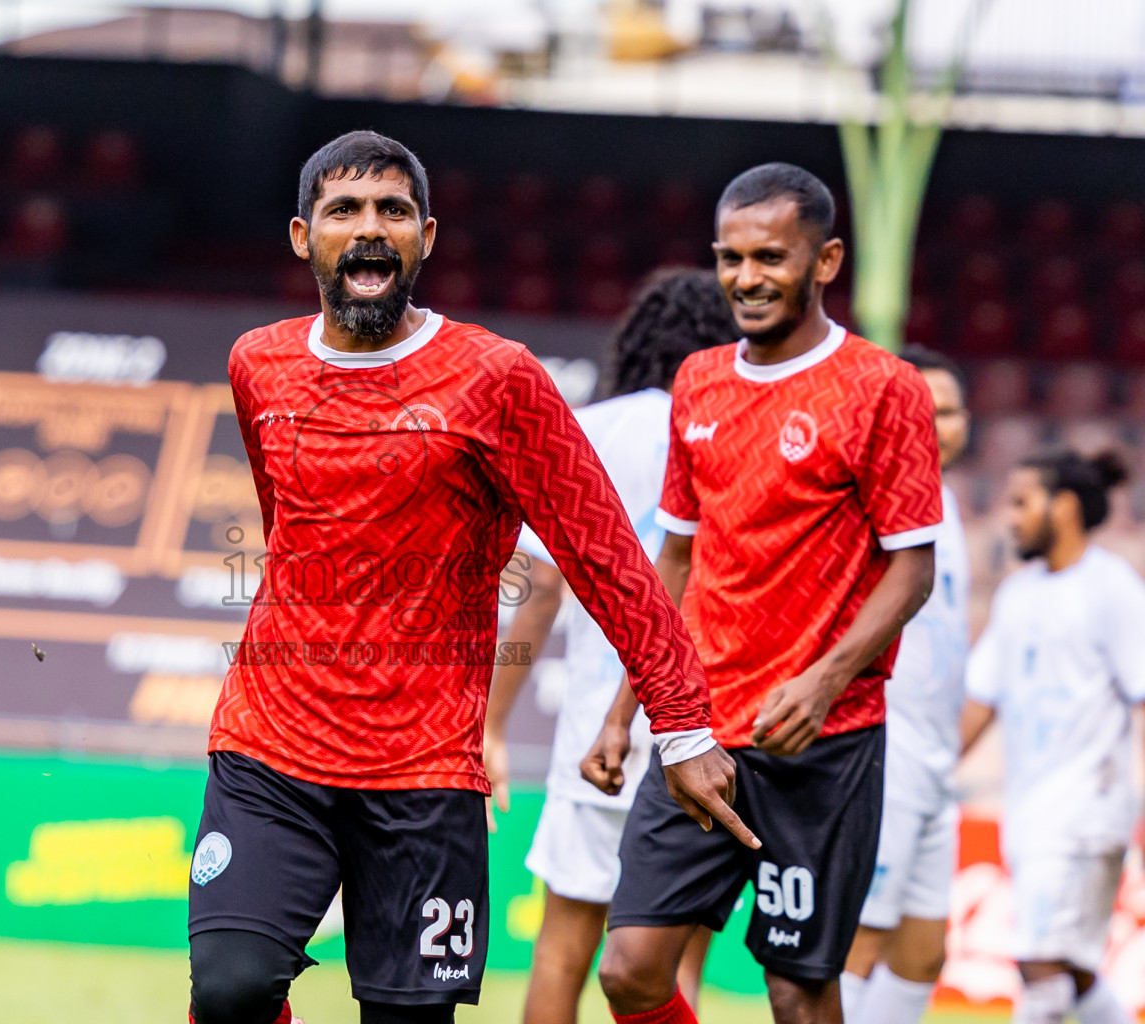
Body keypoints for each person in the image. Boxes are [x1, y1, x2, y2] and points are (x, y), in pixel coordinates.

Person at [186, 130, 755, 1024]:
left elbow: (605, 558)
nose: (369, 230)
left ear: (427, 236)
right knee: (229, 990)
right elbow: (288, 524)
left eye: (392, 211)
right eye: (344, 211)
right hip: (272, 750)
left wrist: (681, 724)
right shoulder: (258, 362)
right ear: (303, 237)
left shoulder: (497, 379)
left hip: (422, 772)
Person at [584, 162, 943, 1024]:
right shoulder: (700, 383)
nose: (746, 278)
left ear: (825, 261)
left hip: (822, 744)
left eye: (770, 258)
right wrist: (620, 713)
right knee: (630, 969)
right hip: (699, 734)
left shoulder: (882, 388)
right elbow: (674, 564)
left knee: (798, 988)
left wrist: (825, 680)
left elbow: (912, 569)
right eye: (730, 258)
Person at [482, 267, 740, 1024]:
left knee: (564, 946)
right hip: (706, 730)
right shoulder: (728, 432)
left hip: (599, 731)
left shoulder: (590, 430)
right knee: (675, 960)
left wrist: (492, 725)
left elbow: (534, 598)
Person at [960, 450, 1145, 1024]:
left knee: (1040, 966)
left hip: (1086, 810)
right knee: (1075, 969)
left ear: (1062, 507)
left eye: (1022, 502)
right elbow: (979, 701)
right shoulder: (1018, 595)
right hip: (1033, 810)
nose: (1010, 517)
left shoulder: (1112, 587)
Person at [839, 346, 972, 1024]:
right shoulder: (869, 494)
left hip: (934, 763)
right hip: (881, 751)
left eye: (950, 412)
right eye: (927, 409)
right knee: (860, 940)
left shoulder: (946, 502)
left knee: (923, 952)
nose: (939, 424)